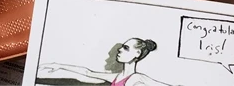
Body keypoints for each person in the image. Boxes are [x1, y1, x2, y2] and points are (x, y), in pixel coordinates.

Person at [38, 38, 171, 86]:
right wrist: (58, 65)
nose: (120, 50)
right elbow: (87, 72)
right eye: (122, 47)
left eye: (126, 48)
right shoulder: (118, 77)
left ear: (137, 53)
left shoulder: (136, 79)